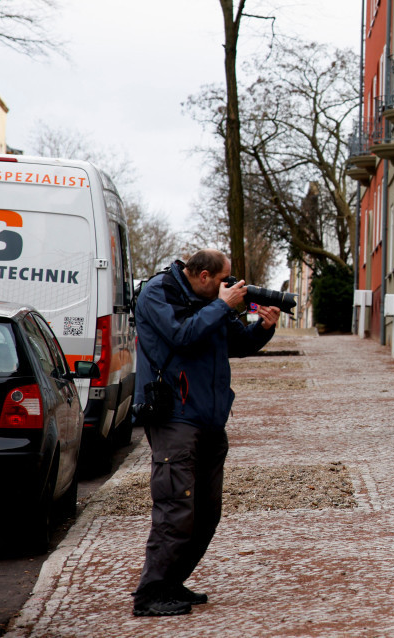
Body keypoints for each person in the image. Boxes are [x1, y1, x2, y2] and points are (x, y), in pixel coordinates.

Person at [130, 249, 280, 617]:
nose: (229, 285)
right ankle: (150, 594)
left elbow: (235, 344)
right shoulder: (158, 293)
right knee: (176, 506)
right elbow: (181, 336)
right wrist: (223, 306)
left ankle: (172, 581)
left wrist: (263, 327)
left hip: (210, 417)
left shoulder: (213, 301)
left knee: (205, 511)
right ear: (202, 277)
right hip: (174, 415)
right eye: (224, 278)